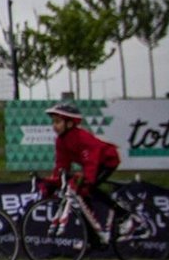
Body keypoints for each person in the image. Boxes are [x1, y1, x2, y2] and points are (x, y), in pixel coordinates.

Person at [40, 101, 122, 236]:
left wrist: (88, 179)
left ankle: (122, 214)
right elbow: (61, 164)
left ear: (70, 123)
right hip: (91, 164)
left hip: (108, 160)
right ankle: (93, 236)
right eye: (53, 122)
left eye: (58, 122)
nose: (54, 126)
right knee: (82, 199)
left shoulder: (81, 136)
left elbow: (91, 160)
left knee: (91, 188)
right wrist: (54, 181)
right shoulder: (60, 140)